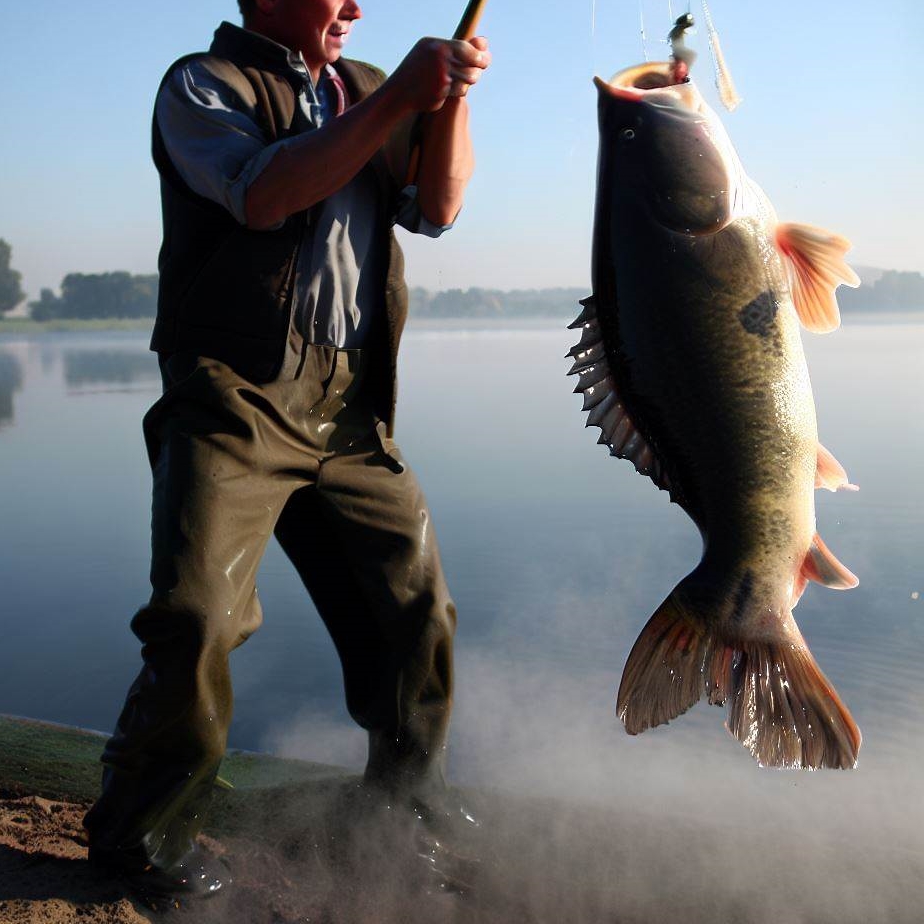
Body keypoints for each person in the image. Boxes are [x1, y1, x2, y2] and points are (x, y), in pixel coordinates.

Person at [83, 0, 490, 901]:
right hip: (233, 395)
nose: (354, 6)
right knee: (197, 619)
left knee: (415, 612)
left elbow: (439, 209)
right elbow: (264, 196)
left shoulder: (375, 87)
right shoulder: (203, 83)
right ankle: (138, 838)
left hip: (349, 406)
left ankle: (399, 811)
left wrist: (448, 98)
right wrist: (393, 109)